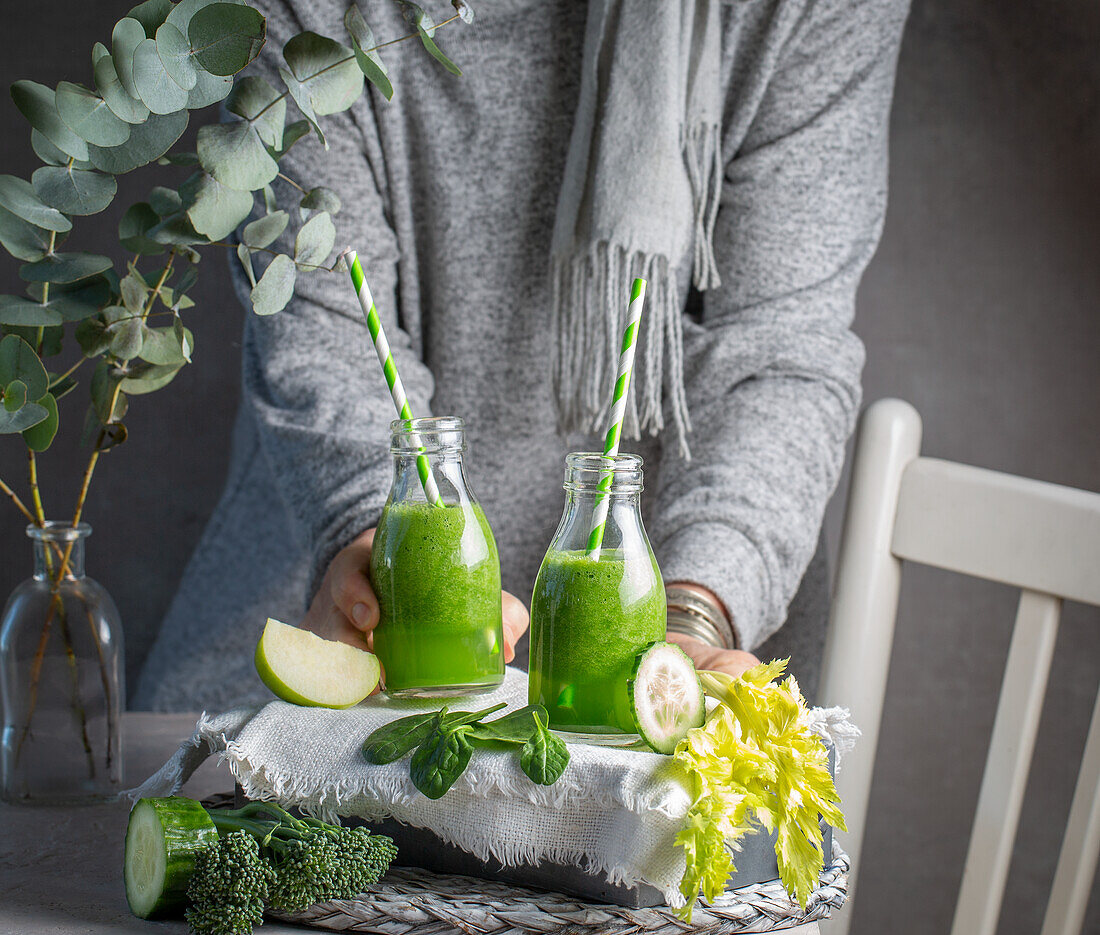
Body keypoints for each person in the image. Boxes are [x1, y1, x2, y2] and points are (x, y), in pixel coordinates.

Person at [133, 0, 910, 711]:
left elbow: (776, 351)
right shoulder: (301, 15)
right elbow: (329, 333)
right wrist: (385, 547)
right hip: (343, 606)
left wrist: (688, 616)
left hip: (695, 624)